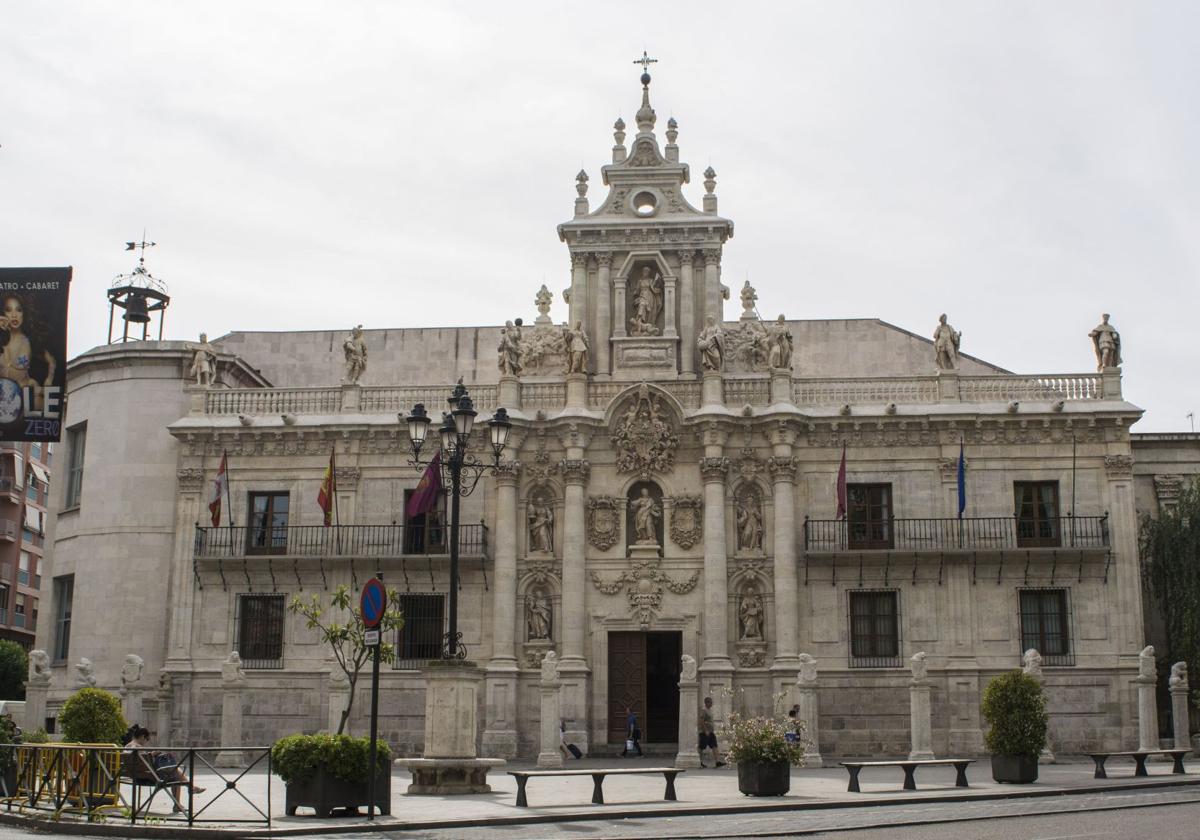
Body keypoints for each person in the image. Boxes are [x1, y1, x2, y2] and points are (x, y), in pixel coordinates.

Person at [124, 725, 204, 812]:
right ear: (143, 736)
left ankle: (190, 788)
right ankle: (187, 791)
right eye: (147, 739)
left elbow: (141, 760)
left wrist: (150, 755)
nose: (145, 742)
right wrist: (152, 754)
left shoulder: (126, 747)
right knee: (175, 774)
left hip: (136, 775)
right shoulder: (137, 747)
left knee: (174, 770)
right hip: (149, 777)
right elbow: (143, 759)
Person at [0, 293, 57, 411]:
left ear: (24, 313)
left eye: (19, 310)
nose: (14, 315)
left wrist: (49, 380)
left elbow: (52, 361)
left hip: (25, 396)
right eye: (8, 310)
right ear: (3, 314)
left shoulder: (30, 341)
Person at [698, 696, 724, 768]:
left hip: (711, 732)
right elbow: (701, 721)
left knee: (714, 746)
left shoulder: (709, 710)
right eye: (710, 702)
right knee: (701, 747)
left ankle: (717, 762)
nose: (712, 703)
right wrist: (705, 730)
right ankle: (699, 762)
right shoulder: (704, 710)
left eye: (712, 702)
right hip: (704, 732)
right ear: (706, 703)